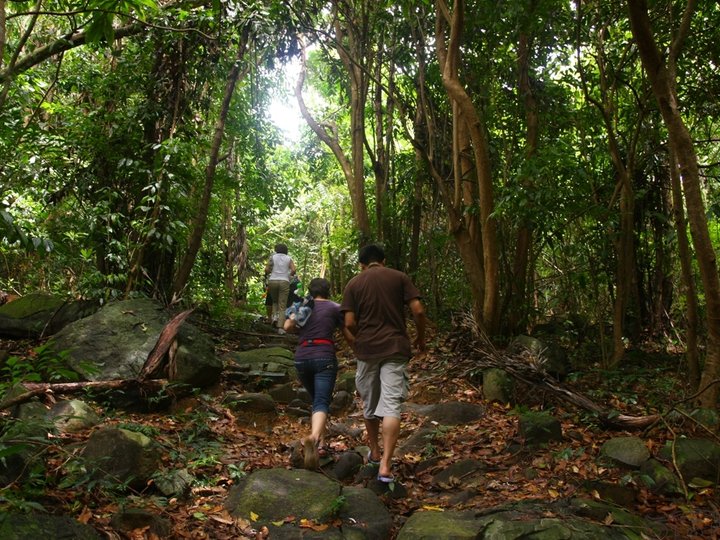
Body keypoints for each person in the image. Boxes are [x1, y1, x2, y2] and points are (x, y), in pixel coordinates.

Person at [341, 244, 426, 483]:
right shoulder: (399, 277)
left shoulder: (354, 283)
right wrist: (420, 337)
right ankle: (386, 466)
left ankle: (375, 452)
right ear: (383, 260)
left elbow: (348, 322)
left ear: (362, 264)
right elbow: (418, 311)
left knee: (369, 401)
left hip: (367, 350)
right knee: (391, 405)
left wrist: (361, 339)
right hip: (395, 347)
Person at [284, 278, 352, 469]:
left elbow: (287, 327)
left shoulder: (303, 306)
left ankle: (321, 445)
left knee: (317, 401)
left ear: (310, 291)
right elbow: (347, 331)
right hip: (324, 357)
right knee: (322, 401)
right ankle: (313, 438)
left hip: (302, 358)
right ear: (328, 290)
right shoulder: (335, 307)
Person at [264, 243, 296, 334]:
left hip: (272, 281)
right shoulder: (289, 258)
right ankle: (280, 328)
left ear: (276, 249)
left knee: (274, 301)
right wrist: (289, 276)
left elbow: (267, 270)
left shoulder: (272, 257)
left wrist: (270, 272)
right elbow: (293, 270)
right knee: (282, 305)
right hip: (284, 281)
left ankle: (274, 317)